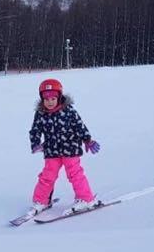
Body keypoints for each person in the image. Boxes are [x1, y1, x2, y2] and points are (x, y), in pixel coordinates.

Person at [27, 79, 101, 216]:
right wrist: (36, 143)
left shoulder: (68, 111)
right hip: (51, 150)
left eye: (53, 98)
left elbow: (80, 126)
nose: (50, 102)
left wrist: (88, 140)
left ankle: (86, 198)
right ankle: (41, 201)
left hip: (70, 149)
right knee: (47, 176)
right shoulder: (41, 114)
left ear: (59, 97)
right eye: (46, 99)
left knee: (75, 174)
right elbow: (35, 130)